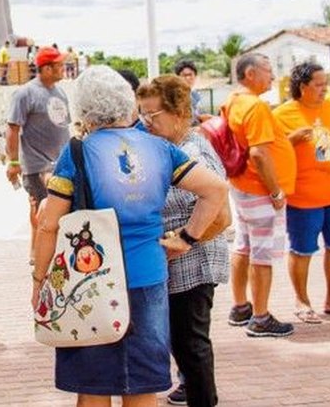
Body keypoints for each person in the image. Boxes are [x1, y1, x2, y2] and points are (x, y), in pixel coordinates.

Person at [31, 67, 228, 407]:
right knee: (141, 386)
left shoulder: (78, 152)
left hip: (90, 280)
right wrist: (186, 238)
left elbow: (50, 225)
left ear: (85, 109)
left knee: (92, 387)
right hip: (149, 277)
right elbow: (216, 189)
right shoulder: (161, 149)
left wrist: (39, 279)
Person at [137, 76, 231, 407]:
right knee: (184, 343)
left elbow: (222, 212)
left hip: (195, 264)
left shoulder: (192, 152)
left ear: (178, 112)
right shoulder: (174, 149)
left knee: (192, 345)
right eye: (142, 115)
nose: (146, 123)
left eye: (153, 115)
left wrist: (186, 238)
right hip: (182, 264)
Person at [273, 62, 330, 325]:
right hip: (304, 198)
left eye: (326, 83)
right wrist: (292, 138)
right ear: (302, 87)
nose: (325, 89)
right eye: (319, 84)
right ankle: (301, 301)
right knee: (302, 250)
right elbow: (271, 153)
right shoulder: (282, 115)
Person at [224, 53, 298, 337]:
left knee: (243, 246)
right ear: (251, 73)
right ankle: (260, 316)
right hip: (259, 189)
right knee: (262, 253)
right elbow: (258, 152)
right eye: (269, 70)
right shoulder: (255, 106)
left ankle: (241, 306)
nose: (273, 76)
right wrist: (276, 190)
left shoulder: (233, 100)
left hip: (243, 186)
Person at [6, 46, 71, 264]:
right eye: (59, 65)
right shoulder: (25, 93)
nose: (63, 69)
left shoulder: (60, 92)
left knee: (58, 209)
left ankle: (47, 250)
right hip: (37, 165)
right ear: (45, 68)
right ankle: (39, 254)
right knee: (40, 207)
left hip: (61, 164)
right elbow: (13, 128)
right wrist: (13, 162)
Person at [174, 60, 214, 125]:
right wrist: (198, 118)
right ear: (177, 78)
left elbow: (201, 113)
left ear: (195, 76)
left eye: (190, 75)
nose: (187, 78)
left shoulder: (195, 95)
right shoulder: (174, 96)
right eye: (184, 75)